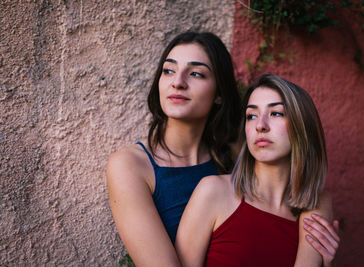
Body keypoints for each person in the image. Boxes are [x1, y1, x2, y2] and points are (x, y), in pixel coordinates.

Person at [107, 32, 339, 267]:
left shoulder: (241, 152)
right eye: (168, 70)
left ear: (219, 93)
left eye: (196, 73)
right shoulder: (131, 165)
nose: (177, 82)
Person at [175, 74, 340, 267]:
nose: (260, 125)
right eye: (251, 116)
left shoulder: (316, 201)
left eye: (276, 113)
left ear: (302, 127)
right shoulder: (213, 192)